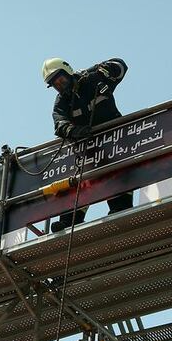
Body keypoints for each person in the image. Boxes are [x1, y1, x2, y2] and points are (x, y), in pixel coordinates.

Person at [41, 57, 133, 232]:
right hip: (88, 148)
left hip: (116, 140)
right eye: (55, 84)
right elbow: (59, 124)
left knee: (117, 173)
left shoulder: (93, 80)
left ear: (68, 72)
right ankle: (69, 221)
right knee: (80, 181)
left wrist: (101, 69)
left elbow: (121, 66)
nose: (60, 85)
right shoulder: (62, 102)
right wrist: (74, 132)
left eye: (61, 80)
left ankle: (119, 209)